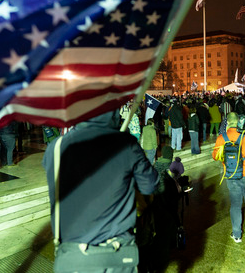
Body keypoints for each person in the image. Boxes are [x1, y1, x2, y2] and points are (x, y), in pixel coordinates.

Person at [42, 109, 159, 273]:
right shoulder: (125, 144)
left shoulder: (56, 148)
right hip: (116, 256)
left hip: (74, 257)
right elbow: (150, 185)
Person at [212, 112, 245, 243]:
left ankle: (237, 235)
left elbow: (215, 156)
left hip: (232, 176)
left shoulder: (222, 137)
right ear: (239, 121)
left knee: (235, 205)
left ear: (228, 122)